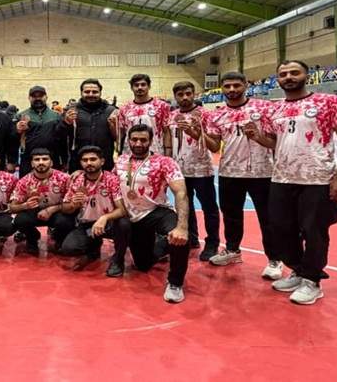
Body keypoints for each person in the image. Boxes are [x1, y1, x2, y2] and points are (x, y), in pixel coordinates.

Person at [256, 60, 337, 305]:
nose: (288, 77)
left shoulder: (329, 102)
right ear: (278, 79)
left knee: (314, 231)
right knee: (281, 228)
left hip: (317, 179)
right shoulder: (274, 109)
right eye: (283, 74)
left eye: (294, 72)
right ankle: (298, 270)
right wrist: (257, 137)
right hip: (281, 178)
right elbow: (275, 143)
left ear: (307, 75)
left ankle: (312, 280)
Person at [202, 72, 282, 280]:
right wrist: (198, 133)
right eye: (227, 86)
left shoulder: (264, 108)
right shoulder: (216, 115)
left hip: (262, 173)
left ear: (246, 85)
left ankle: (274, 259)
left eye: (236, 85)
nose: (232, 90)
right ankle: (232, 250)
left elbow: (276, 142)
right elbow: (214, 146)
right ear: (222, 88)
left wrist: (258, 137)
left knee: (268, 218)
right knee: (231, 216)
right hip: (229, 172)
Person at [114, 124, 190, 303]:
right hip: (132, 216)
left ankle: (175, 283)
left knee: (179, 238)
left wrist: (182, 226)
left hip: (157, 212)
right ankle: (163, 246)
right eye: (134, 139)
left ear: (150, 141)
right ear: (128, 141)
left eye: (143, 140)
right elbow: (108, 181)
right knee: (142, 265)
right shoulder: (120, 161)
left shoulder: (164, 162)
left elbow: (181, 192)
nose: (138, 143)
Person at [60, 146, 130, 277]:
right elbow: (64, 207)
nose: (89, 163)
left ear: (102, 161)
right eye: (85, 160)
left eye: (93, 159)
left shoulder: (112, 179)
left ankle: (118, 259)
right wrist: (73, 205)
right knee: (68, 248)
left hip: (109, 223)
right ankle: (93, 249)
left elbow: (122, 210)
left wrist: (104, 218)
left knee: (124, 224)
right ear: (81, 163)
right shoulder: (77, 180)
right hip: (87, 223)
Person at [169, 81, 220, 261]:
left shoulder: (205, 114)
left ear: (194, 94)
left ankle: (212, 242)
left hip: (202, 170)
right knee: (185, 206)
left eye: (188, 93)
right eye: (180, 94)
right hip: (179, 171)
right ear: (175, 96)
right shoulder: (171, 116)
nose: (185, 97)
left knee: (209, 207)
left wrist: (194, 133)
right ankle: (191, 237)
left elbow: (214, 146)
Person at [10, 148, 73, 255]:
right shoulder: (24, 181)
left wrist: (51, 210)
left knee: (66, 220)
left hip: (57, 211)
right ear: (32, 163)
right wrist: (25, 205)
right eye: (37, 159)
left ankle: (59, 238)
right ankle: (32, 238)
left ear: (51, 162)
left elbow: (72, 205)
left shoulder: (65, 178)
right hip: (34, 212)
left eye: (45, 159)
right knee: (20, 220)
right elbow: (12, 207)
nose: (41, 162)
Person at [57, 79, 119, 172]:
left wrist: (114, 127)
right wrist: (66, 123)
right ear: (81, 93)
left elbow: (119, 139)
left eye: (95, 92)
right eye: (87, 92)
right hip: (78, 165)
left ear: (100, 93)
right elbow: (59, 136)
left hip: (105, 163)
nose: (91, 94)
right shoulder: (70, 111)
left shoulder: (111, 111)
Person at [16, 85, 65, 176]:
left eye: (41, 96)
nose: (38, 98)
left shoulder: (56, 116)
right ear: (29, 98)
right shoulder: (21, 116)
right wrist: (17, 131)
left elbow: (63, 140)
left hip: (52, 158)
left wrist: (64, 161)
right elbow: (12, 140)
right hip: (28, 159)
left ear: (46, 97)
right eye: (34, 96)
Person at [118, 74, 171, 156]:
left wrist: (168, 153)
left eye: (143, 85)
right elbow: (121, 133)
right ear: (131, 88)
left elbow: (166, 131)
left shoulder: (161, 106)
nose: (140, 87)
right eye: (136, 85)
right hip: (130, 152)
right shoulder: (124, 108)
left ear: (149, 86)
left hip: (155, 151)